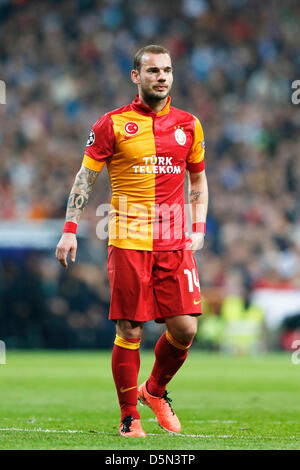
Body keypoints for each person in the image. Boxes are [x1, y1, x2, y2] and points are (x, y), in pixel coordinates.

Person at [56, 44, 208, 437]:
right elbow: (84, 178)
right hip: (127, 239)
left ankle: (154, 391)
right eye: (153, 70)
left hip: (174, 240)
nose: (162, 76)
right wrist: (69, 230)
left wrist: (199, 227)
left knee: (186, 329)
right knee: (130, 330)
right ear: (135, 77)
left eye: (168, 70)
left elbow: (198, 180)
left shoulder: (189, 124)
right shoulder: (111, 124)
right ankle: (129, 417)